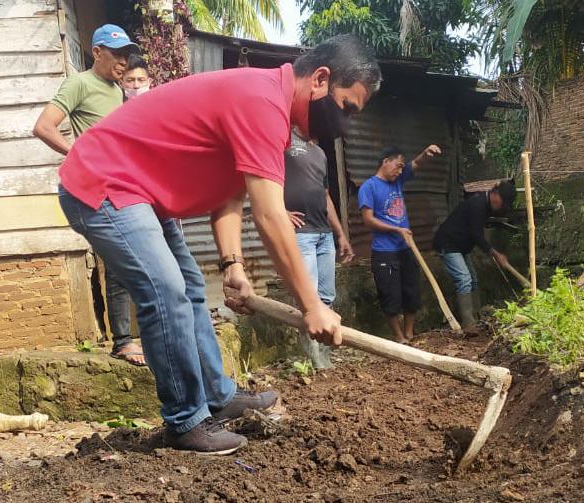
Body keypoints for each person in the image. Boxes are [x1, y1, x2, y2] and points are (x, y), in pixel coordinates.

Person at [57, 35, 382, 455]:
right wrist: (312, 305)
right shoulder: (261, 101)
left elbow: (230, 195)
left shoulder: (270, 111)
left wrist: (233, 267)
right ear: (320, 80)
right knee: (166, 294)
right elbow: (270, 217)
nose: (344, 123)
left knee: (191, 291)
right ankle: (185, 421)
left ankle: (217, 396)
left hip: (145, 194)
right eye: (346, 108)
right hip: (104, 183)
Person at [33, 24, 146, 366]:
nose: (124, 61)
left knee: (137, 260)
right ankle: (123, 341)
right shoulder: (79, 83)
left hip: (125, 185)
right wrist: (77, 153)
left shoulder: (119, 90)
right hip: (97, 189)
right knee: (115, 264)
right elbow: (43, 126)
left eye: (127, 54)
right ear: (97, 52)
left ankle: (139, 336)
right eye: (117, 54)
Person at [284, 129, 355, 369]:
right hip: (301, 233)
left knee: (326, 296)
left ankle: (324, 357)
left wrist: (341, 234)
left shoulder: (321, 153)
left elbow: (325, 196)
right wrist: (279, 213)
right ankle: (312, 361)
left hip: (324, 234)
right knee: (309, 297)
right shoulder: (285, 140)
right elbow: (263, 177)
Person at [358, 144, 441, 343]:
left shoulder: (397, 181)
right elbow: (368, 220)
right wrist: (397, 229)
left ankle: (410, 333)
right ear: (386, 161)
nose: (401, 170)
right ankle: (399, 337)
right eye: (398, 165)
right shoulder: (368, 187)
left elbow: (417, 163)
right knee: (390, 296)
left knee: (411, 292)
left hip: (405, 248)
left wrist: (425, 153)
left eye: (403, 167)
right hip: (384, 251)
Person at [433, 180, 517, 329]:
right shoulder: (478, 204)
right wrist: (496, 254)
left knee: (473, 279)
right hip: (448, 244)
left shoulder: (485, 206)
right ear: (495, 195)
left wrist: (494, 253)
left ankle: (477, 314)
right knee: (464, 279)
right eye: (502, 203)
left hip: (460, 247)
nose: (501, 207)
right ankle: (468, 323)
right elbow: (477, 235)